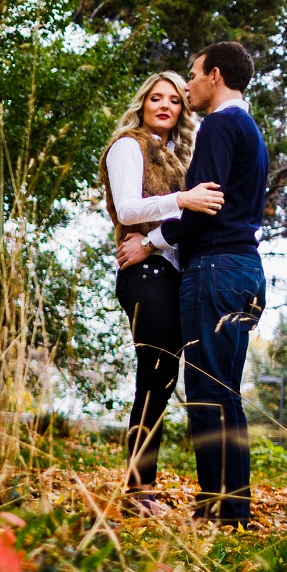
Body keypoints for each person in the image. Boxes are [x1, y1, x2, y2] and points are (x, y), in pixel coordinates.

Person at [117, 41, 268, 527]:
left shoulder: (221, 125)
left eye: (192, 75)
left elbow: (200, 210)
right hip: (242, 268)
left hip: (217, 268)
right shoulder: (249, 129)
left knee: (207, 391)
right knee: (221, 391)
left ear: (215, 75)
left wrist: (151, 241)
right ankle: (228, 507)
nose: (187, 85)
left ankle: (221, 512)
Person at [102, 72, 224, 511]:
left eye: (174, 99)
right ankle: (138, 491)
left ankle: (142, 487)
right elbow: (129, 206)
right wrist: (182, 201)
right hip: (144, 273)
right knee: (154, 377)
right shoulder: (127, 146)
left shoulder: (178, 155)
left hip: (169, 271)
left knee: (163, 378)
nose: (166, 105)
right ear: (143, 102)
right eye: (157, 97)